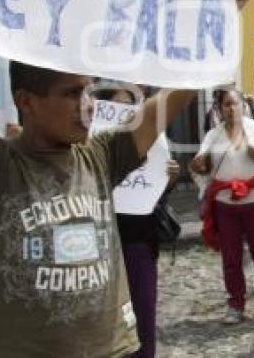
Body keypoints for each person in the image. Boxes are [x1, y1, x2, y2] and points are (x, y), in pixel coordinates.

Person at [0, 0, 251, 356]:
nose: (88, 106)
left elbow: (172, 98)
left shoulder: (102, 155)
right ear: (26, 101)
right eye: (71, 94)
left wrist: (222, 14)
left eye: (88, 90)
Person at [95, 85, 181, 358]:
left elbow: (153, 195)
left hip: (139, 241)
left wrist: (169, 179)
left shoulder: (152, 144)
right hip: (99, 244)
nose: (125, 116)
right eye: (117, 109)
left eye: (131, 109)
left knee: (142, 312)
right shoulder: (91, 152)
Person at [190, 89, 254, 325]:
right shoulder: (213, 136)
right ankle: (236, 303)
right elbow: (201, 167)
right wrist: (197, 164)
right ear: (219, 109)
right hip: (226, 205)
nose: (231, 109)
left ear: (243, 105)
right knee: (230, 257)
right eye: (226, 105)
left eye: (235, 103)